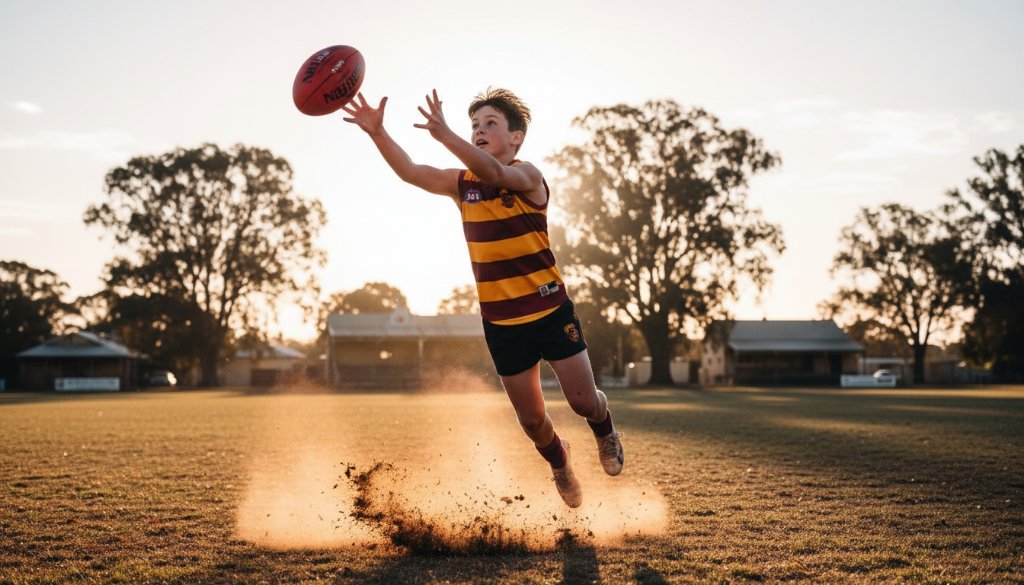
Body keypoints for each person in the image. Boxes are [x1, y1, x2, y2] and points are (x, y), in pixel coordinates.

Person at [341, 87, 623, 508]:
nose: (479, 131)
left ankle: (605, 429)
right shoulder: (463, 185)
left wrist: (447, 136)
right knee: (531, 422)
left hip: (549, 310)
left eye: (490, 124)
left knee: (584, 402)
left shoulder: (528, 176)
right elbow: (412, 172)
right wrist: (378, 133)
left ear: (516, 138)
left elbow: (496, 174)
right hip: (502, 324)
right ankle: (560, 460)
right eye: (475, 125)